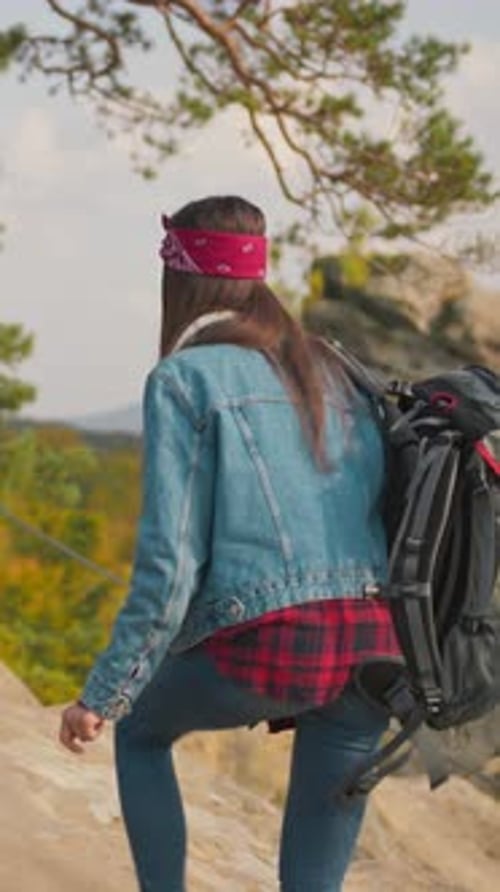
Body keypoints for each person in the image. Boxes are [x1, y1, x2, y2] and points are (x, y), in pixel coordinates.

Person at [59, 195, 401, 892]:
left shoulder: (184, 378)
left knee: (141, 732)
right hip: (374, 641)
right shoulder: (335, 369)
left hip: (278, 643)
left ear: (179, 282)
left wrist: (104, 695)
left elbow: (169, 567)